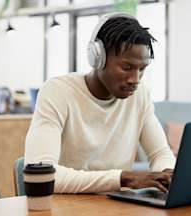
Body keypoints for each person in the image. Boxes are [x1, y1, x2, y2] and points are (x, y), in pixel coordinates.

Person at [24, 12, 176, 194]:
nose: (135, 79)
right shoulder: (58, 92)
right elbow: (42, 176)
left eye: (141, 69)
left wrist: (167, 174)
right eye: (127, 67)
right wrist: (124, 178)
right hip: (68, 206)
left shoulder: (140, 94)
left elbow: (160, 153)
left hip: (117, 206)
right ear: (98, 58)